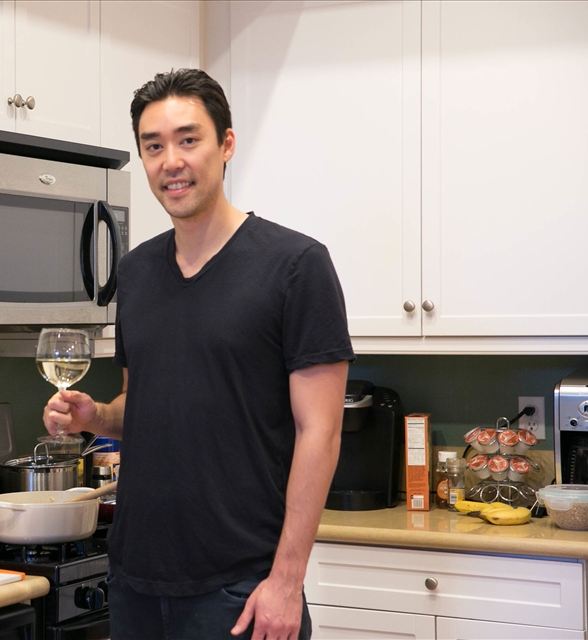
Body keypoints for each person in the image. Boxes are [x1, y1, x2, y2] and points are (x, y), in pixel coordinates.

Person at [43, 68, 355, 640]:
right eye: (154, 146)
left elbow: (321, 434)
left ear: (226, 143)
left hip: (241, 589)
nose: (171, 161)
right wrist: (99, 419)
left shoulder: (295, 266)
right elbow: (145, 402)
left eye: (189, 139)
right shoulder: (135, 272)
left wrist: (287, 580)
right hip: (135, 581)